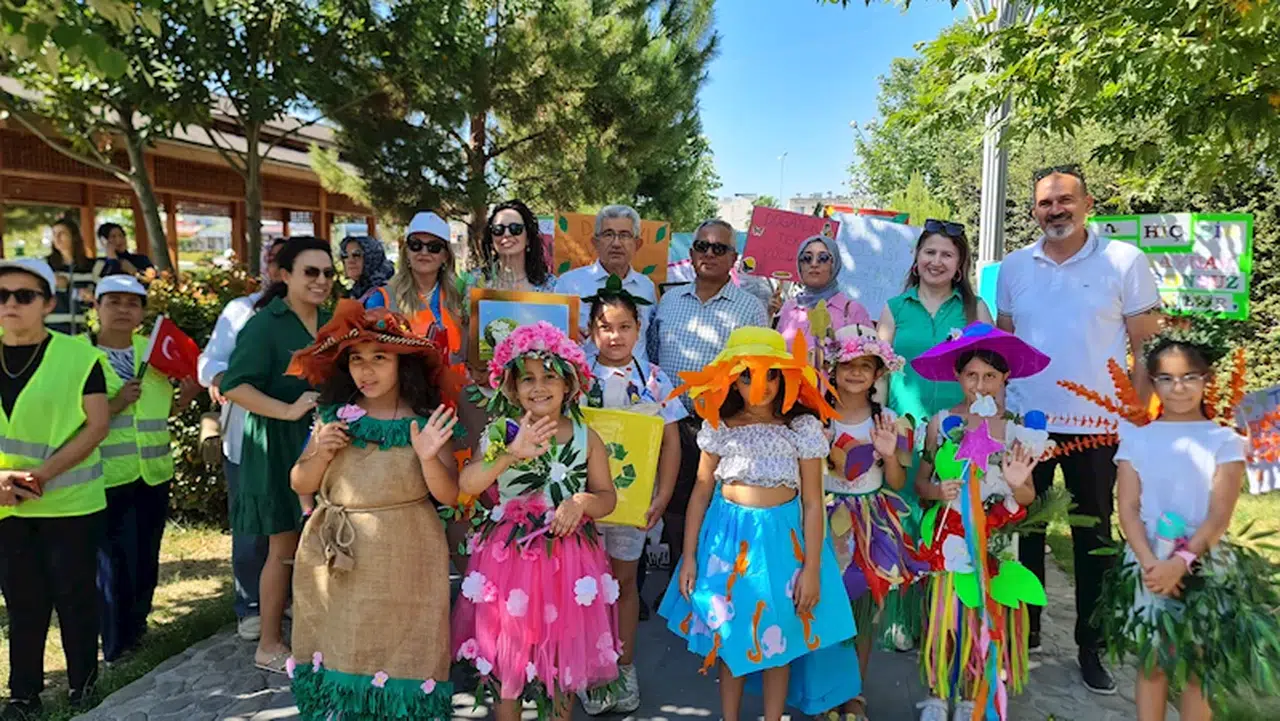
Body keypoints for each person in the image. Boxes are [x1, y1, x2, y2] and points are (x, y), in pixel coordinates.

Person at [999, 165, 1162, 694]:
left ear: (1087, 203)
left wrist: (1136, 417)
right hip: (1028, 425)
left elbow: (1146, 349)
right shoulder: (1014, 267)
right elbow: (1004, 348)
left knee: (1094, 538)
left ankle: (1091, 645)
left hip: (1098, 428)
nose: (1056, 210)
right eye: (1045, 203)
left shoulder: (1124, 261)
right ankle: (1026, 632)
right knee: (1025, 531)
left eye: (1065, 200)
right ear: (1032, 212)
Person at [658, 326, 859, 721]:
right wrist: (691, 558)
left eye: (772, 374)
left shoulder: (800, 428)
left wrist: (813, 568)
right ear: (731, 378)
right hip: (726, 546)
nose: (760, 385)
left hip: (783, 548)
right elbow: (700, 491)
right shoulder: (719, 425)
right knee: (730, 638)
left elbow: (814, 503)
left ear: (787, 377)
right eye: (748, 374)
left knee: (778, 642)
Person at [285, 300, 462, 719]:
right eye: (357, 360)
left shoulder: (427, 421)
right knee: (343, 640)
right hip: (338, 560)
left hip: (407, 558)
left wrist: (426, 457)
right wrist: (321, 455)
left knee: (404, 649)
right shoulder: (332, 417)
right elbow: (300, 482)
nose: (367, 371)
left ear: (404, 364)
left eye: (379, 359)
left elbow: (450, 495)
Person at [1100, 330, 1273, 721]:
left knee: (1198, 665)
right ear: (1155, 382)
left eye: (1189, 378)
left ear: (1206, 380)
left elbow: (1219, 514)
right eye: (1167, 378)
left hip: (1205, 562)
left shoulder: (1224, 440)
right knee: (1153, 660)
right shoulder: (1136, 438)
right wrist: (1150, 563)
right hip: (1146, 564)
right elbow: (1126, 507)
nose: (1178, 388)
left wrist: (1180, 562)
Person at [452, 322, 619, 721]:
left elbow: (608, 497)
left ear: (568, 386)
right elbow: (469, 482)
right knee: (509, 659)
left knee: (563, 660)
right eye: (527, 378)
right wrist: (509, 453)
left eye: (549, 377)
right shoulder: (500, 432)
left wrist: (581, 501)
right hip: (511, 561)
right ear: (511, 387)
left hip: (569, 564)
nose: (538, 386)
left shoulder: (585, 436)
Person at [909, 322, 1054, 721]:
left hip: (995, 540)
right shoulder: (940, 423)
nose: (980, 384)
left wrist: (1015, 482)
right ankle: (937, 694)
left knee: (982, 618)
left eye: (990, 376)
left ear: (1005, 377)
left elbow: (1024, 499)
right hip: (950, 538)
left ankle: (974, 697)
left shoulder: (1016, 431)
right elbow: (923, 481)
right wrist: (939, 492)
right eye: (971, 375)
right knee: (944, 620)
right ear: (958, 376)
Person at [0, 258, 111, 718]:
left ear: (47, 304)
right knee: (22, 603)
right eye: (2, 296)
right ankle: (23, 695)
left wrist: (41, 476)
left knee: (75, 598)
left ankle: (84, 685)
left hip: (69, 503)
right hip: (7, 507)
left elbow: (97, 425)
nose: (10, 304)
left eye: (23, 296)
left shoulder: (80, 356)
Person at [219, 236, 334, 673]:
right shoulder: (265, 324)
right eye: (310, 272)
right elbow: (234, 384)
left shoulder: (330, 322)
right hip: (277, 448)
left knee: (320, 543)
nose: (321, 280)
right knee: (283, 547)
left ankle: (317, 631)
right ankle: (268, 641)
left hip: (323, 444)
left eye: (327, 272)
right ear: (284, 275)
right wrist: (287, 410)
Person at [876, 218, 991, 650]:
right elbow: (882, 375)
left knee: (947, 519)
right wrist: (879, 423)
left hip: (956, 434)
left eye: (947, 254)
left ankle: (942, 615)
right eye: (929, 252)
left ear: (960, 264)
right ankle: (902, 616)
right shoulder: (894, 308)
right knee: (904, 521)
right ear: (916, 258)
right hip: (904, 432)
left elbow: (988, 372)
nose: (936, 261)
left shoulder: (974, 311)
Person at [576, 276, 684, 715]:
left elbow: (672, 443)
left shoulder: (656, 380)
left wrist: (662, 496)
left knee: (621, 584)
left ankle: (623, 667)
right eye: (604, 327)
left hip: (632, 506)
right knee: (584, 586)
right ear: (590, 331)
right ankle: (589, 670)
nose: (614, 336)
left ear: (639, 329)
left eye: (623, 326)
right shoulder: (576, 376)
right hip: (582, 505)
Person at [91, 276, 200, 662]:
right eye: (114, 302)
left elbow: (160, 411)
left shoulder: (154, 352)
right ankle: (115, 643)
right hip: (103, 476)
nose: (123, 310)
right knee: (112, 562)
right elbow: (68, 416)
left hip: (152, 472)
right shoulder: (77, 355)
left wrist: (184, 399)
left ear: (142, 312)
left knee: (144, 557)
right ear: (96, 306)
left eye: (133, 303)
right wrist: (115, 403)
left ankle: (138, 631)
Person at [647, 218, 767, 567]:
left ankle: (711, 583)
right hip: (672, 426)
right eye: (703, 246)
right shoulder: (668, 302)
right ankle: (676, 585)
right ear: (691, 253)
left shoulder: (750, 309)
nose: (709, 254)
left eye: (720, 248)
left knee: (717, 508)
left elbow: (758, 374)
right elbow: (654, 357)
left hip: (725, 428)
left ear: (733, 258)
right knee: (672, 508)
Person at [821, 325, 927, 720]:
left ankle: (854, 693)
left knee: (862, 613)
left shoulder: (890, 421)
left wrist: (886, 453)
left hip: (870, 521)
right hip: (825, 518)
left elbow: (899, 483)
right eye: (847, 365)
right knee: (824, 607)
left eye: (865, 367)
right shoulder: (818, 416)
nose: (855, 374)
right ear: (833, 368)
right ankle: (823, 692)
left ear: (878, 374)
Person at [197, 237, 285, 641]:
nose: (278, 268)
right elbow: (211, 359)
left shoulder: (318, 314)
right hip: (247, 432)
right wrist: (218, 377)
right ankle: (250, 604)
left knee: (295, 518)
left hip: (298, 432)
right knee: (251, 521)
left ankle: (289, 598)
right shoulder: (241, 310)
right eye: (273, 260)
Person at [554, 205, 658, 359]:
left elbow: (651, 341)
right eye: (608, 234)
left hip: (636, 380)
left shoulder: (646, 287)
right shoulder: (569, 284)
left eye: (624, 235)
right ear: (595, 242)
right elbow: (551, 337)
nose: (616, 243)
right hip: (586, 379)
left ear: (637, 244)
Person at [366, 213, 464, 362]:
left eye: (434, 247)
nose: (424, 252)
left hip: (457, 383)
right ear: (406, 252)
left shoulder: (461, 296)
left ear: (446, 256)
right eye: (416, 245)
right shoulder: (381, 299)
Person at [773, 235, 871, 356]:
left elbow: (867, 361)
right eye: (806, 258)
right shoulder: (789, 308)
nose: (814, 264)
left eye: (823, 258)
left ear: (834, 264)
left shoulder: (852, 311)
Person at [465, 200, 556, 293]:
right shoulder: (475, 280)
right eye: (498, 229)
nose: (506, 234)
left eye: (515, 228)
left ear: (528, 238)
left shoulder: (550, 285)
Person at [47, 218, 117, 335]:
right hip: (53, 329)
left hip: (85, 329)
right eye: (54, 234)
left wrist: (91, 295)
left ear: (74, 237)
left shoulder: (95, 266)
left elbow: (106, 295)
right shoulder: (45, 265)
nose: (57, 238)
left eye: (62, 233)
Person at [340, 235, 395, 303]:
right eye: (345, 255)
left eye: (356, 254)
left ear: (372, 258)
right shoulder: (358, 291)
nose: (350, 261)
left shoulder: (378, 295)